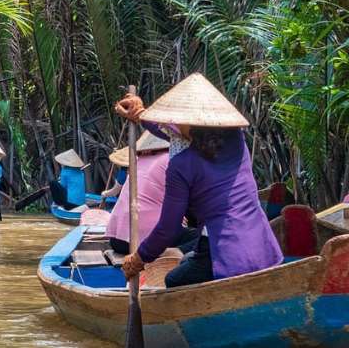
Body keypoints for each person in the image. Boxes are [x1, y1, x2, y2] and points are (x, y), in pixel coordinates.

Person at [115, 73, 283, 288]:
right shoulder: (235, 140)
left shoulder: (181, 164)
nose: (170, 123)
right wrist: (140, 114)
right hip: (262, 246)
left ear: (187, 122)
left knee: (173, 280)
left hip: (223, 252)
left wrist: (139, 258)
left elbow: (168, 228)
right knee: (186, 260)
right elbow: (176, 135)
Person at [105, 132, 200, 255]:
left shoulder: (139, 160)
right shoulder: (172, 160)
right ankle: (169, 255)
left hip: (118, 240)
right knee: (205, 240)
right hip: (145, 241)